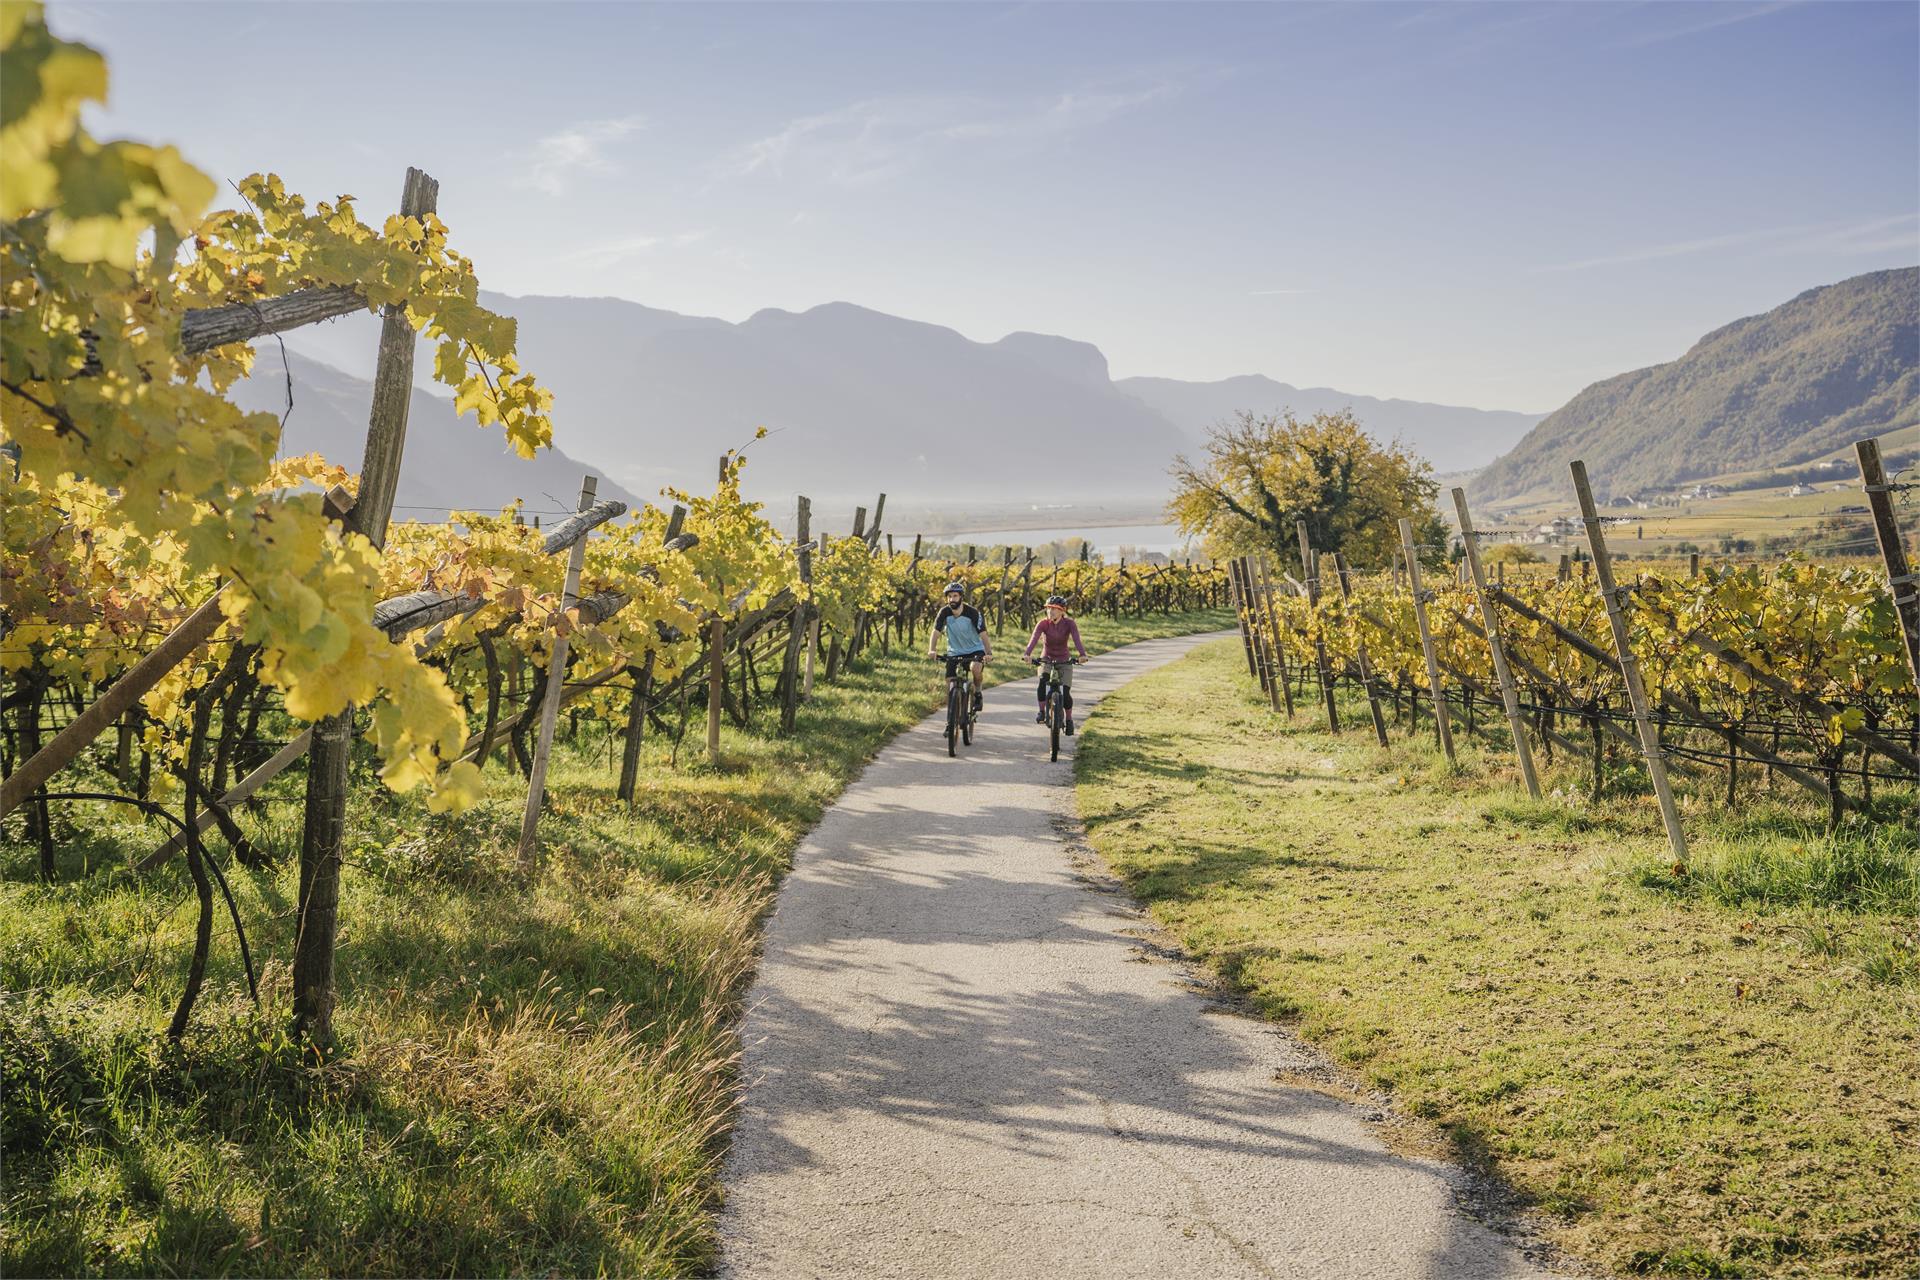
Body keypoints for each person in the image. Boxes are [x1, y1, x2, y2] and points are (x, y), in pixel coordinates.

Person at [1024, 593, 1088, 733]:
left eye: (1054, 608)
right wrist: (1027, 654)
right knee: (1042, 682)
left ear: (1062, 611)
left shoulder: (1069, 624)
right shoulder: (1043, 624)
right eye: (1048, 608)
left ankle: (1069, 720)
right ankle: (1041, 712)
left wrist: (1082, 655)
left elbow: (1077, 640)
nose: (1050, 611)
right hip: (1046, 659)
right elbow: (1034, 639)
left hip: (1064, 660)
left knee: (1065, 693)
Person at [927, 581, 990, 712]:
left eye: (955, 596)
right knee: (950, 682)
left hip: (974, 650)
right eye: (949, 596)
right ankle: (951, 719)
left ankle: (977, 693)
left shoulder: (973, 613)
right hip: (954, 652)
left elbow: (983, 634)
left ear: (961, 597)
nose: (952, 599)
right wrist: (931, 649)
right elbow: (936, 632)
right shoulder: (944, 612)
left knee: (976, 668)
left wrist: (988, 653)